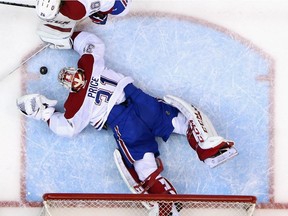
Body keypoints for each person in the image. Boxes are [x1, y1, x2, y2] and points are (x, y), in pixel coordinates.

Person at [16, 31, 237, 216]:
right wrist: (71, 38)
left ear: (75, 71)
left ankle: (179, 186)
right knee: (175, 124)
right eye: (69, 80)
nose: (72, 79)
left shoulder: (77, 101)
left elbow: (67, 127)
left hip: (128, 115)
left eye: (71, 75)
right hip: (135, 104)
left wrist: (45, 114)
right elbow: (94, 44)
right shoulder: (89, 66)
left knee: (154, 148)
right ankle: (202, 156)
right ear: (70, 85)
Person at [35, 0, 131, 49]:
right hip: (119, 5)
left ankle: (99, 16)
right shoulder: (75, 10)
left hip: (118, 6)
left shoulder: (74, 11)